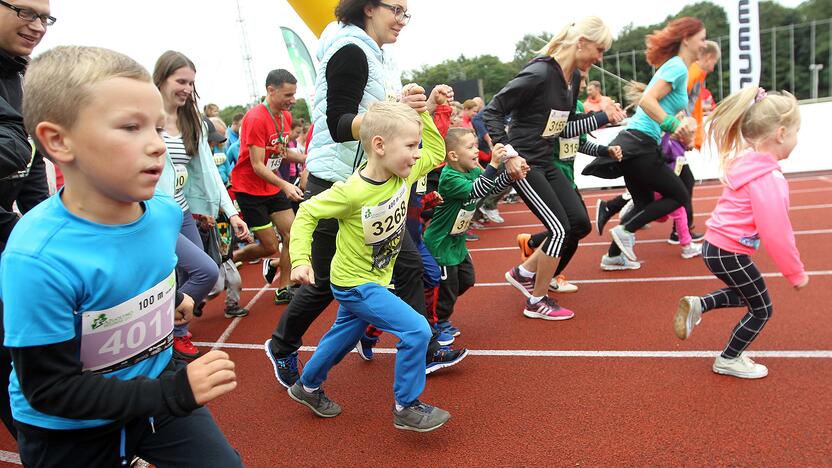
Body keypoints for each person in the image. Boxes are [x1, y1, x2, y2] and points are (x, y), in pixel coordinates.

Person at [1, 45, 241, 467]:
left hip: (154, 392)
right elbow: (50, 389)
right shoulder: (36, 256)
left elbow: (143, 276)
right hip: (68, 430)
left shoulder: (165, 213)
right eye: (131, 128)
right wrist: (175, 392)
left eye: (157, 128)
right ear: (58, 140)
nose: (156, 146)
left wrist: (172, 300)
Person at [265, 0, 466, 388]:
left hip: (375, 183)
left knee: (406, 266)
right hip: (337, 181)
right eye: (397, 10)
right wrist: (390, 112)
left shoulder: (379, 56)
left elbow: (387, 119)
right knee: (323, 282)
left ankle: (421, 349)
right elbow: (339, 123)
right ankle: (283, 345)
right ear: (370, 7)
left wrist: (416, 110)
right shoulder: (350, 50)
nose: (403, 21)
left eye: (407, 12)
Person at [286, 101, 451, 432]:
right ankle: (407, 405)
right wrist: (301, 259)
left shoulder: (405, 174)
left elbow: (436, 152)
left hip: (374, 277)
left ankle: (306, 386)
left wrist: (424, 113)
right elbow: (306, 213)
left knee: (343, 336)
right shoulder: (351, 192)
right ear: (379, 145)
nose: (417, 154)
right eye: (410, 146)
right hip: (355, 283)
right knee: (416, 329)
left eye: (415, 145)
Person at [484, 16, 623, 320]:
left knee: (578, 224)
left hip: (546, 160)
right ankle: (536, 300)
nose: (600, 58)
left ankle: (522, 272)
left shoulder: (570, 79)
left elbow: (564, 127)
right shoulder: (539, 72)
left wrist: (602, 118)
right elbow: (491, 112)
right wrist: (509, 155)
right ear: (582, 43)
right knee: (559, 229)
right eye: (598, 50)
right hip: (524, 163)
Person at [673, 86, 807, 379]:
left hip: (715, 247)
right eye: (797, 132)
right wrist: (795, 273)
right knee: (762, 309)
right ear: (781, 134)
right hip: (728, 252)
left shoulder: (748, 163)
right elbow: (777, 233)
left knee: (746, 294)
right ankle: (728, 358)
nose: (798, 139)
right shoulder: (768, 178)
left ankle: (700, 304)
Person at [154, 50, 249, 359]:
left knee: (199, 276)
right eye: (180, 81)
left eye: (191, 84)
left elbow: (207, 171)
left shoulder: (190, 119)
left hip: (182, 211)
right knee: (205, 272)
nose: (186, 89)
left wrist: (229, 212)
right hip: (154, 215)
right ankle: (169, 328)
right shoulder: (144, 117)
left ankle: (172, 329)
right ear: (161, 78)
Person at [601, 17, 705, 267]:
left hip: (635, 143)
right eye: (702, 39)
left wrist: (681, 131)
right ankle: (625, 232)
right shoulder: (678, 67)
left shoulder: (678, 68)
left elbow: (664, 108)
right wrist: (671, 125)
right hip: (639, 143)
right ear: (687, 38)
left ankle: (613, 257)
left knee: (645, 202)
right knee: (679, 194)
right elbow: (648, 101)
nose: (704, 44)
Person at [516, 71, 623, 289]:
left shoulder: (580, 108)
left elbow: (579, 142)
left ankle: (537, 251)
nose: (583, 86)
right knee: (574, 227)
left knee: (577, 228)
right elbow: (564, 131)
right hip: (549, 172)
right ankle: (540, 276)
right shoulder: (554, 105)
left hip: (567, 175)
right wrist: (603, 116)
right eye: (580, 80)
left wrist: (606, 151)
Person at [0, 0, 53, 439]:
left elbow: (32, 159)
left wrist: (45, 226)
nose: (37, 26)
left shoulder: (21, 76)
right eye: (24, 12)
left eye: (46, 17)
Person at [423, 129, 516, 334]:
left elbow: (489, 187)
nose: (476, 151)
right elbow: (477, 190)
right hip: (441, 243)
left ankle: (429, 305)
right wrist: (492, 165)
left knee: (466, 280)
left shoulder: (472, 170)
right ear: (454, 156)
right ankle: (438, 321)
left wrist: (510, 175)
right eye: (470, 147)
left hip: (457, 241)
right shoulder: (449, 177)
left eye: (476, 145)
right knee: (447, 288)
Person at [230, 69, 306, 304]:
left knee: (293, 234)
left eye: (294, 94)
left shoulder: (285, 117)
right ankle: (233, 256)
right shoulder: (254, 118)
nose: (292, 100)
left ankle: (283, 288)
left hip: (271, 187)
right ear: (270, 90)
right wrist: (284, 184)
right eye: (288, 95)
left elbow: (281, 153)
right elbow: (256, 165)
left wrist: (307, 159)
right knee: (269, 246)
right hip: (249, 188)